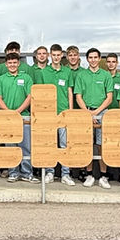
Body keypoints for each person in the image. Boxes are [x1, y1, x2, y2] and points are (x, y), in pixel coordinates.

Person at [0, 52, 39, 184]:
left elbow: (30, 96)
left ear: (18, 63)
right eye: (10, 63)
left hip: (24, 117)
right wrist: (9, 112)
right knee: (10, 147)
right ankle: (13, 173)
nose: (12, 65)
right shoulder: (1, 79)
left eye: (14, 62)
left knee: (25, 146)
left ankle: (27, 173)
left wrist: (18, 111)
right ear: (6, 64)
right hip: (8, 119)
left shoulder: (26, 78)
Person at [74, 47, 113, 189]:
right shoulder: (81, 75)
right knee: (87, 144)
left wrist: (97, 112)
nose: (93, 60)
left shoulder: (106, 75)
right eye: (90, 58)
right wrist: (89, 113)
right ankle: (89, 174)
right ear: (87, 59)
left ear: (99, 58)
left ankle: (103, 176)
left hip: (102, 113)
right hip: (86, 113)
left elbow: (109, 98)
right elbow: (78, 96)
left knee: (102, 145)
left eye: (95, 57)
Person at [41, 44, 76, 186]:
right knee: (50, 144)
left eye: (58, 55)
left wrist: (70, 111)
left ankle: (65, 174)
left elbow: (69, 92)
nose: (56, 57)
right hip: (49, 114)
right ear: (50, 55)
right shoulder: (44, 72)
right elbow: (41, 92)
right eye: (53, 55)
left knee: (64, 144)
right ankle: (50, 172)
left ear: (62, 55)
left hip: (63, 113)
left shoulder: (67, 71)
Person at [105, 52, 120, 182]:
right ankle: (109, 173)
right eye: (109, 62)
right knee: (108, 144)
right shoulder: (104, 76)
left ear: (117, 63)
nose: (111, 64)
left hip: (118, 115)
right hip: (106, 113)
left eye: (113, 62)